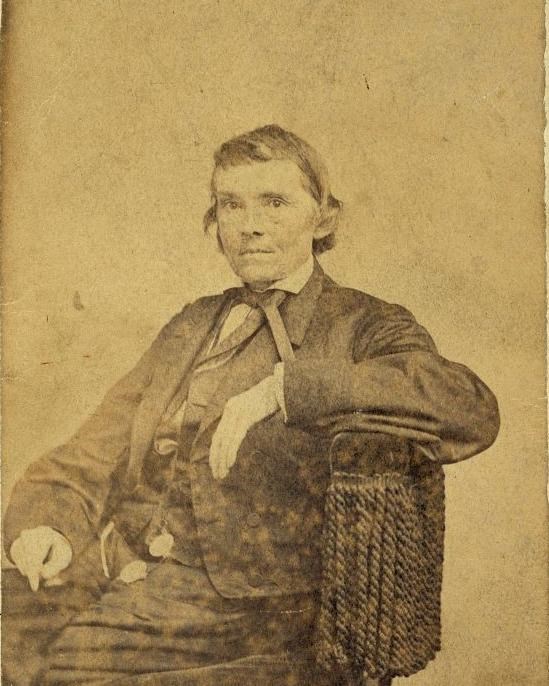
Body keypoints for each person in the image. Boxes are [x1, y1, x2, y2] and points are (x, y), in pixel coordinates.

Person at [2, 124, 500, 686]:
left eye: (275, 202)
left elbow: (469, 405)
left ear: (324, 218)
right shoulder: (193, 323)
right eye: (231, 205)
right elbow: (94, 449)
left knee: (57, 668)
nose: (251, 225)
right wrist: (45, 524)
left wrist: (285, 391)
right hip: (119, 562)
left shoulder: (365, 323)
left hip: (246, 607)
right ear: (215, 224)